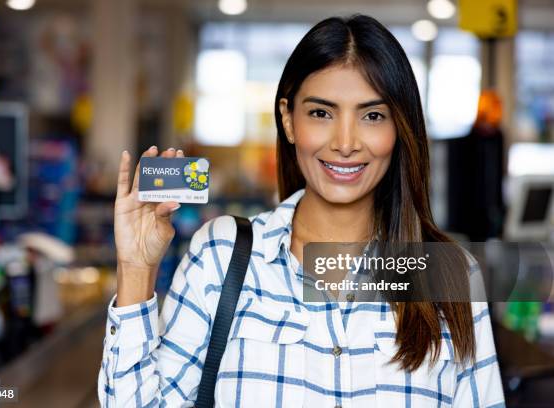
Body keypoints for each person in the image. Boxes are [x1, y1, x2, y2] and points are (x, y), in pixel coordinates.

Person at [98, 14, 505, 407]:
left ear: (399, 129)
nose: (345, 142)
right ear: (288, 120)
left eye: (373, 115)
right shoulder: (221, 256)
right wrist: (135, 267)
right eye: (321, 113)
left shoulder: (450, 275)